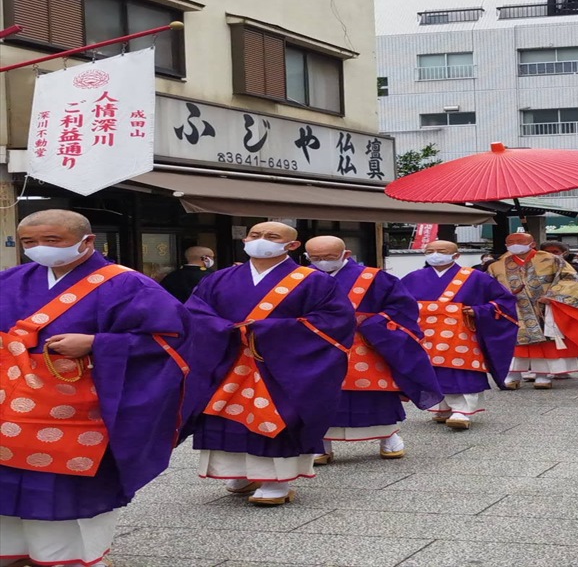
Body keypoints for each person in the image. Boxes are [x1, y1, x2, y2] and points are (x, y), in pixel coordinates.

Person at [0, 210, 192, 567]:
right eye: (29, 242)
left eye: (52, 240)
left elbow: (171, 339)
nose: (39, 249)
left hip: (80, 411)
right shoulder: (11, 280)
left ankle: (71, 558)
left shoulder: (128, 285)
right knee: (5, 478)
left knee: (64, 487)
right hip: (11, 407)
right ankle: (12, 550)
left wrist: (98, 342)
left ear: (87, 241)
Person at [185, 222, 356, 505]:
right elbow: (195, 312)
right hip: (228, 360)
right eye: (255, 235)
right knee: (223, 416)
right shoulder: (219, 278)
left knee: (278, 417)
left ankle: (277, 481)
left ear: (292, 245)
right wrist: (222, 328)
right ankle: (238, 472)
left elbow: (335, 321)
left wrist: (268, 330)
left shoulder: (315, 281)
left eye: (272, 236)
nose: (261, 240)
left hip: (281, 365)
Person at [304, 236, 442, 463]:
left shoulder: (375, 277)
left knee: (376, 392)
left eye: (328, 257)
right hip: (319, 344)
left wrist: (374, 324)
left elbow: (403, 307)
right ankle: (321, 444)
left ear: (345, 254)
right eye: (315, 258)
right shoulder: (302, 277)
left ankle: (389, 437)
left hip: (367, 343)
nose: (322, 262)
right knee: (319, 394)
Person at [401, 240, 517, 430]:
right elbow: (397, 303)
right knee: (432, 370)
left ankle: (462, 410)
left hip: (460, 334)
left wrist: (480, 310)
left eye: (441, 251)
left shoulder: (476, 277)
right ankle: (442, 406)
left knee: (460, 370)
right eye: (430, 251)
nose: (435, 254)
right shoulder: (413, 277)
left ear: (456, 255)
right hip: (424, 334)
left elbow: (504, 301)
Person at [487, 233, 578, 389]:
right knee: (513, 342)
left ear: (532, 243)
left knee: (545, 342)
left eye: (520, 241)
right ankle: (512, 375)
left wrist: (552, 295)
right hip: (512, 309)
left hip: (545, 308)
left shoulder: (552, 260)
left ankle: (543, 375)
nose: (515, 244)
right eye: (510, 242)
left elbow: (570, 280)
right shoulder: (497, 265)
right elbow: (489, 287)